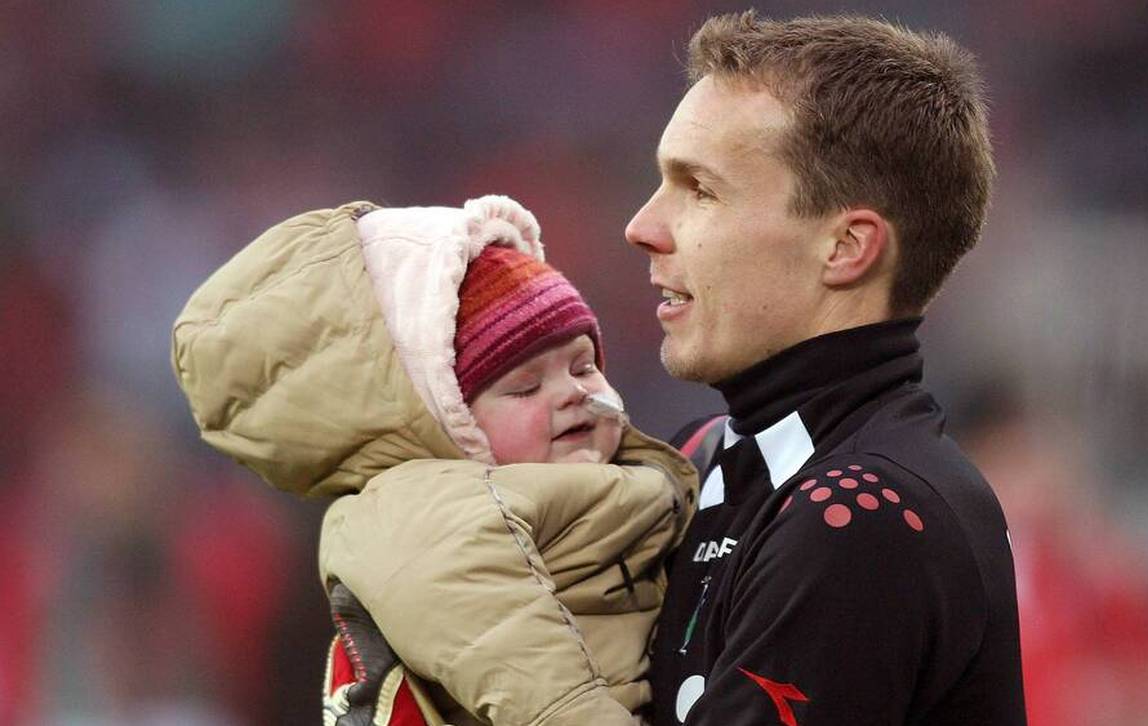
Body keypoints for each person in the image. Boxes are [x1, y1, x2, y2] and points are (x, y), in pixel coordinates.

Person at [624, 11, 1026, 724]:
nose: (643, 227)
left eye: (701, 190)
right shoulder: (702, 456)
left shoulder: (862, 514)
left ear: (845, 247)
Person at [171, 196, 698, 725]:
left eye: (583, 366)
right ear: (445, 421)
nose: (572, 393)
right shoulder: (418, 512)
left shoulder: (652, 476)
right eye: (525, 387)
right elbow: (537, 685)